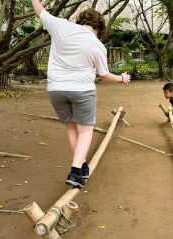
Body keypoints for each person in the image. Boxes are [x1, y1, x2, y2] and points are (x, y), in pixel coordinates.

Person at [31, 0, 131, 188]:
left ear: (80, 22)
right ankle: (76, 172)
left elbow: (38, 9)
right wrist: (122, 78)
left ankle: (82, 164)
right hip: (82, 90)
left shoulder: (60, 25)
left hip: (55, 89)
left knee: (71, 128)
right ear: (99, 29)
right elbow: (103, 75)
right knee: (85, 130)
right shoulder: (97, 45)